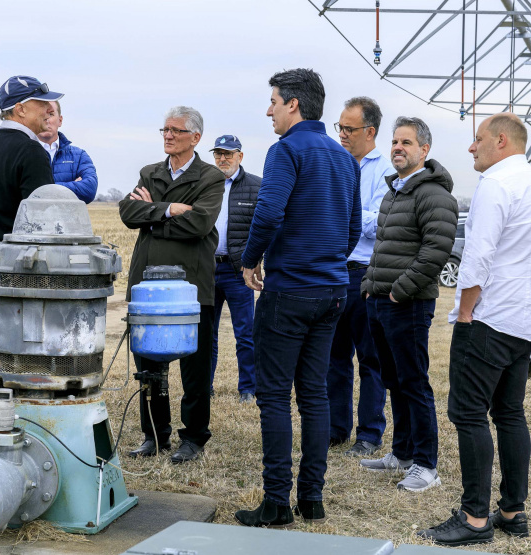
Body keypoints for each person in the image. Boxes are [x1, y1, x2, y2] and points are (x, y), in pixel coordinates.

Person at [418, 113, 531, 546]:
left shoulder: (496, 185)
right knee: (509, 413)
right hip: (526, 320)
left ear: (501, 141)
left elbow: (477, 257)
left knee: (467, 413)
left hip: (491, 317)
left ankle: (475, 517)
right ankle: (512, 511)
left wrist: (464, 312)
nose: (470, 148)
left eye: (476, 139)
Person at [235, 68, 361, 528]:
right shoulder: (344, 157)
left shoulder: (286, 150)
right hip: (332, 289)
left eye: (273, 101)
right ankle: (312, 497)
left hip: (289, 291)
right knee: (314, 394)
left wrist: (250, 260)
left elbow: (268, 212)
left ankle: (275, 502)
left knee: (272, 395)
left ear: (293, 104)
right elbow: (351, 230)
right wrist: (325, 259)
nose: (268, 110)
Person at [0, 75, 62, 457]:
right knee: (26, 366)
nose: (49, 110)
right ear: (20, 108)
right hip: (25, 273)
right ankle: (15, 452)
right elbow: (45, 220)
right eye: (42, 104)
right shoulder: (32, 152)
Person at [119, 106, 225, 464]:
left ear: (195, 137)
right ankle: (154, 434)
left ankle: (193, 437)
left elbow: (199, 224)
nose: (167, 135)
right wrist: (169, 209)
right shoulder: (149, 172)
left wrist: (153, 215)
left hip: (191, 286)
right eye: (164, 129)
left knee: (194, 370)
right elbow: (127, 212)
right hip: (148, 286)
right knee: (148, 367)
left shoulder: (210, 177)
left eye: (176, 130)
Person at [359, 117, 458, 489]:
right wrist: (371, 286)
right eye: (395, 141)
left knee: (414, 382)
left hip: (408, 303)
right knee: (393, 380)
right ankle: (401, 454)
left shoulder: (434, 195)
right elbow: (382, 247)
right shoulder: (395, 192)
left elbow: (436, 252)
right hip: (379, 300)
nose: (398, 147)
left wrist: (400, 290)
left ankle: (426, 465)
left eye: (407, 142)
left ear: (424, 150)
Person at [327, 97, 390, 457]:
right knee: (333, 357)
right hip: (332, 271)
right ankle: (336, 429)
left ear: (370, 131)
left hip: (366, 274)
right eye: (340, 127)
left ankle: (369, 434)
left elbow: (380, 223)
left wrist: (344, 215)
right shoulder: (332, 162)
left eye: (349, 129)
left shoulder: (386, 171)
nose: (342, 135)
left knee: (370, 359)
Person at [208, 134, 261, 403]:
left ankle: (248, 389)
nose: (223, 158)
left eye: (228, 153)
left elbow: (264, 227)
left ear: (240, 156)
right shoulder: (204, 184)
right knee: (207, 333)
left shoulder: (255, 186)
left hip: (238, 270)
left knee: (245, 333)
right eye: (218, 153)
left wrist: (256, 261)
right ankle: (206, 387)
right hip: (206, 269)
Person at [37, 100, 99, 203]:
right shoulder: (22, 154)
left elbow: (89, 190)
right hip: (33, 219)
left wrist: (43, 189)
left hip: (68, 219)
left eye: (51, 114)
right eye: (41, 115)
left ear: (60, 120)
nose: (46, 119)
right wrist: (71, 185)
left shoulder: (79, 156)